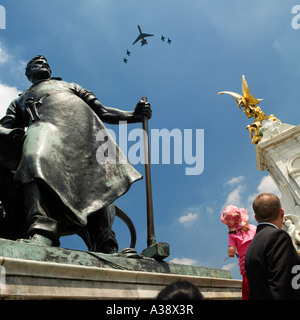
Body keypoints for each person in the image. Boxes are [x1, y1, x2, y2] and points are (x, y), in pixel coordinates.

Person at [0, 55, 152, 252]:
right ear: (28, 74)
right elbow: (6, 127)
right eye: (37, 63)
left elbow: (103, 112)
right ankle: (43, 232)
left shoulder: (71, 86)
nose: (43, 63)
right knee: (32, 161)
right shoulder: (19, 99)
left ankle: (105, 243)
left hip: (84, 135)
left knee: (98, 180)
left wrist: (134, 115)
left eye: (46, 62)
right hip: (45, 132)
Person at [245, 193, 300, 300]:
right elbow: (286, 285)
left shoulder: (252, 246)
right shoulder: (278, 237)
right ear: (282, 212)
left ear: (256, 217)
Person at [221, 205, 256, 300]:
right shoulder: (252, 227)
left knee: (248, 293)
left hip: (247, 266)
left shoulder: (232, 233)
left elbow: (231, 249)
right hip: (260, 262)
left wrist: (230, 253)